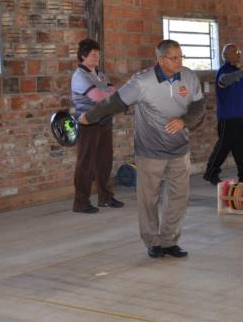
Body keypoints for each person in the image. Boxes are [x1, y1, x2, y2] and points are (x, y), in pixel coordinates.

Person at [79, 40, 204, 258]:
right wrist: (89, 117)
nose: (179, 62)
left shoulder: (189, 76)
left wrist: (185, 121)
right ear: (161, 60)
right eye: (174, 58)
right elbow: (114, 102)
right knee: (149, 199)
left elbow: (199, 106)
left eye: (181, 56)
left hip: (179, 150)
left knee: (178, 197)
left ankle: (170, 241)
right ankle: (153, 241)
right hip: (150, 151)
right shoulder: (142, 82)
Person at [70, 38, 123, 213]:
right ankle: (81, 202)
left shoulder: (99, 74)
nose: (97, 57)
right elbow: (98, 97)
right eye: (93, 54)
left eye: (98, 54)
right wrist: (107, 93)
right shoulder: (79, 75)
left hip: (104, 122)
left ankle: (105, 197)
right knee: (86, 163)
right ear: (83, 55)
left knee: (104, 162)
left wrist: (107, 93)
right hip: (88, 123)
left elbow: (113, 92)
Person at [203, 43, 243, 185]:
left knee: (242, 148)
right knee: (223, 146)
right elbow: (223, 81)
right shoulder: (224, 70)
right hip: (230, 118)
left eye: (239, 50)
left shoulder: (237, 71)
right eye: (234, 51)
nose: (238, 53)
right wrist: (242, 71)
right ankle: (211, 172)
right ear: (225, 55)